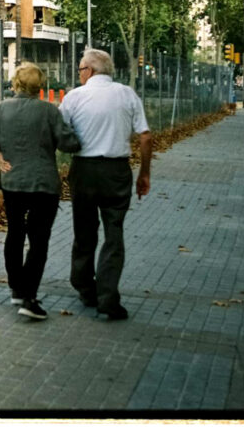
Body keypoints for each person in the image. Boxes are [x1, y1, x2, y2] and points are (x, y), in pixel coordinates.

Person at [0, 62, 81, 321]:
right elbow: (68, 143)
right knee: (39, 240)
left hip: (12, 182)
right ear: (40, 87)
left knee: (15, 234)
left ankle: (16, 288)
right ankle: (29, 297)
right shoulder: (49, 111)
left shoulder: (1, 109)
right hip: (43, 184)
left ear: (15, 84)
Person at [60, 48, 152, 322]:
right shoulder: (127, 94)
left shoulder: (74, 97)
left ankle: (85, 287)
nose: (79, 74)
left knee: (84, 231)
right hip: (116, 170)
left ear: (89, 70)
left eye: (80, 69)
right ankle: (108, 300)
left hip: (84, 170)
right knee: (114, 234)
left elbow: (59, 132)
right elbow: (146, 138)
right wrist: (144, 174)